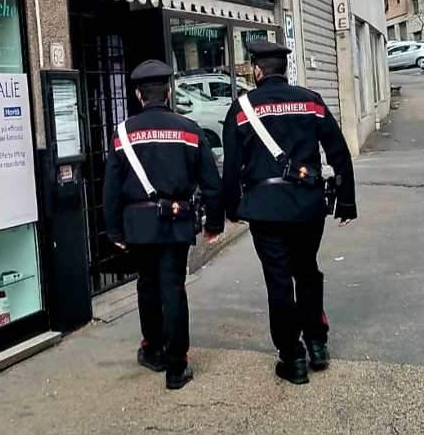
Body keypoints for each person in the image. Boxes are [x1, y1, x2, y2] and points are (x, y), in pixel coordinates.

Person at [222, 41, 357, 385]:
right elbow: (338, 150)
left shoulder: (241, 109)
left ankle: (292, 358)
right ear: (284, 69)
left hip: (265, 210)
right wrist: (346, 201)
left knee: (279, 280)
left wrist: (231, 208)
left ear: (256, 71)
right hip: (307, 205)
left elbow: (232, 167)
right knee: (307, 271)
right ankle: (317, 343)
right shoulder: (310, 100)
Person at [103, 60, 224, 390]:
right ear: (169, 92)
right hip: (176, 221)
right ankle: (177, 365)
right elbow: (211, 182)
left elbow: (111, 186)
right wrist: (214, 222)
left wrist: (113, 230)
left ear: (139, 95)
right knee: (173, 287)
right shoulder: (188, 129)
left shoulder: (123, 133)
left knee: (146, 284)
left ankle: (153, 349)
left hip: (138, 224)